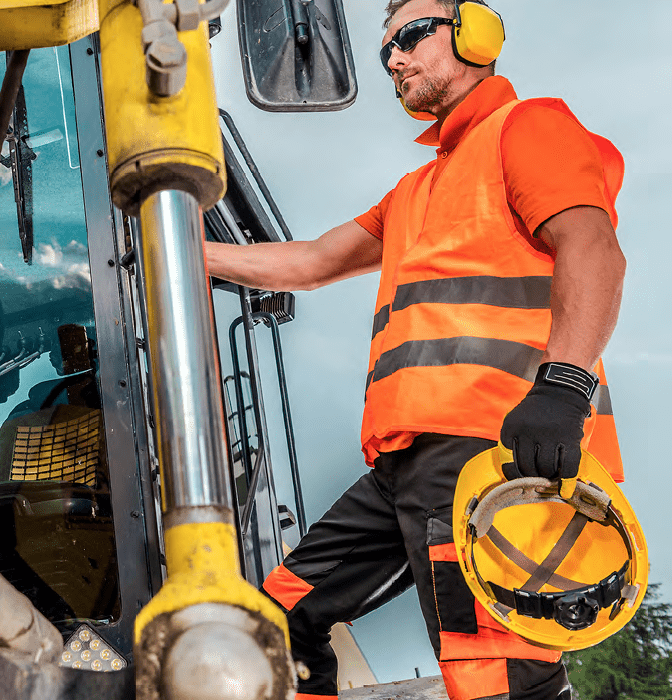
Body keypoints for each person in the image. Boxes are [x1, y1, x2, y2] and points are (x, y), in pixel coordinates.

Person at [204, 1, 627, 699]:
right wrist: (175, 242)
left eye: (407, 37)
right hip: (404, 468)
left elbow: (592, 248)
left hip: (495, 456)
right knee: (273, 620)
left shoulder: (527, 127)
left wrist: (563, 388)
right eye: (383, 53)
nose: (394, 60)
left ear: (475, 35)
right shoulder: (413, 191)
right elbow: (309, 262)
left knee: (492, 675)